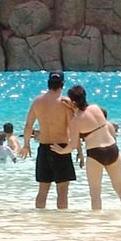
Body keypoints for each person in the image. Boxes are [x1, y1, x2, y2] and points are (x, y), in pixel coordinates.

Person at [61, 85, 121, 210]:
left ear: (72, 102)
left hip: (95, 152)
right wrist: (73, 105)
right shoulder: (96, 108)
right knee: (120, 188)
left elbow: (72, 145)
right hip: (112, 149)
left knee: (95, 194)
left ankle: (96, 224)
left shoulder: (75, 121)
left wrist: (61, 151)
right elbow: (85, 112)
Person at [21, 72, 76, 208]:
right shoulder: (65, 104)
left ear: (48, 83)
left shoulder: (37, 101)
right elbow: (73, 128)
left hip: (44, 148)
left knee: (42, 191)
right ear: (62, 84)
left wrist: (26, 145)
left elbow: (28, 126)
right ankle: (62, 223)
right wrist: (79, 150)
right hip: (61, 148)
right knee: (62, 192)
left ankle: (40, 224)